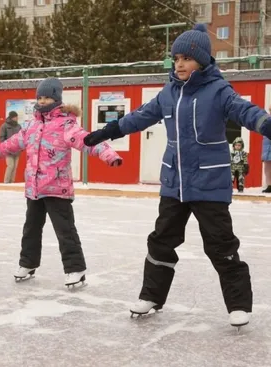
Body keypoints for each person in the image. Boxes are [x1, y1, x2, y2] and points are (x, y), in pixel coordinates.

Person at [83, 24, 271, 327]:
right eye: (176, 58)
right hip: (174, 183)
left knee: (221, 244)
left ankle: (238, 305)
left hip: (209, 184)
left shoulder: (218, 90)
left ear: (202, 60)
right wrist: (107, 132)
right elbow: (139, 117)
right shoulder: (169, 93)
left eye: (186, 58)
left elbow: (245, 111)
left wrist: (266, 125)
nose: (179, 64)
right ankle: (152, 296)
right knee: (161, 240)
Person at [0, 77, 122, 287]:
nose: (42, 101)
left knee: (65, 230)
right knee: (31, 228)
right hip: (34, 188)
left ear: (56, 99)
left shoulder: (66, 124)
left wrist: (109, 155)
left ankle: (75, 269)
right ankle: (27, 264)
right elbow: (15, 142)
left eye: (47, 97)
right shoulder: (31, 124)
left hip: (57, 188)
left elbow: (87, 141)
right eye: (39, 97)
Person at [0, 111, 22, 183]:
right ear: (12, 117)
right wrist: (5, 146)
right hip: (8, 150)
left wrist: (21, 147)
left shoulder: (19, 126)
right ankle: (6, 182)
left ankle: (12, 182)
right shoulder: (4, 126)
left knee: (15, 167)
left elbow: (21, 137)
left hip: (17, 150)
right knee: (10, 166)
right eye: (16, 117)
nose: (17, 118)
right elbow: (2, 138)